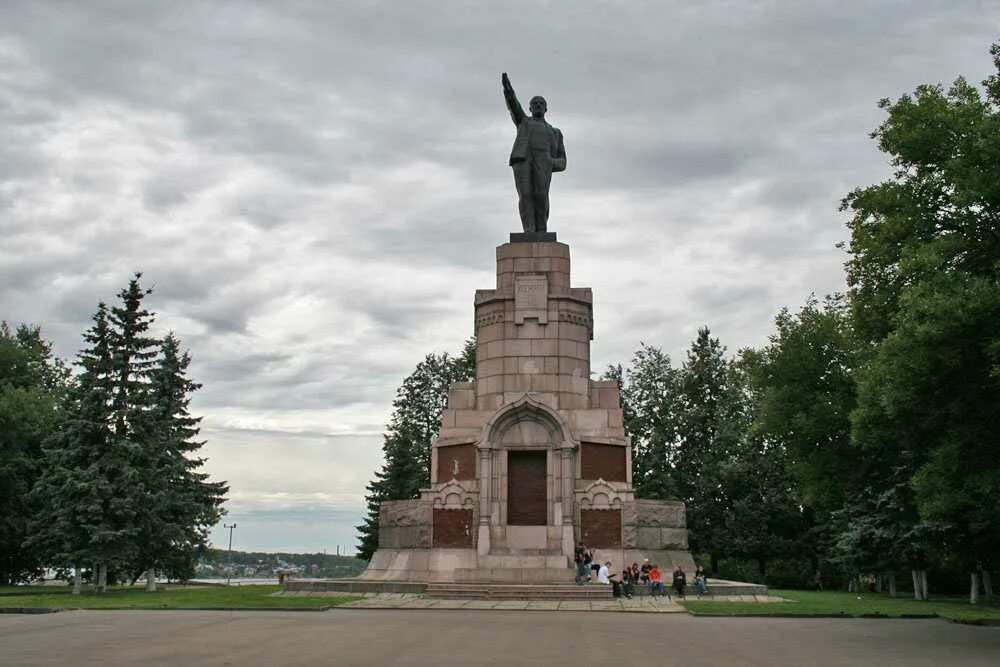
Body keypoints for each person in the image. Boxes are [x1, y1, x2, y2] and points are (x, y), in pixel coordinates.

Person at [501, 72, 567, 234]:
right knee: (526, 195)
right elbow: (513, 105)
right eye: (534, 103)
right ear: (529, 108)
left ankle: (542, 231)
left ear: (546, 108)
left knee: (541, 196)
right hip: (523, 161)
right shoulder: (524, 121)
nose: (537, 105)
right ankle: (529, 231)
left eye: (541, 103)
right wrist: (508, 90)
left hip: (543, 163)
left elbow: (563, 161)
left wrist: (550, 161)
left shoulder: (555, 132)